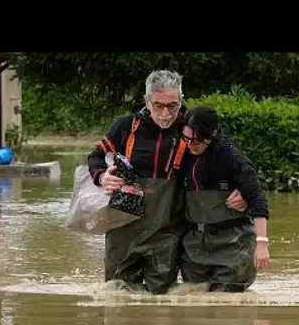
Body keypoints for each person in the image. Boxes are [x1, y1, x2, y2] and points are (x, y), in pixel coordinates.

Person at [87, 70, 247, 294]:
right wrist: (102, 176)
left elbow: (234, 161)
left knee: (159, 297)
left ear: (181, 100)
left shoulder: (193, 128)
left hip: (169, 229)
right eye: (159, 106)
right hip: (123, 227)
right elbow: (95, 156)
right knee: (116, 292)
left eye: (172, 106)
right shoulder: (125, 127)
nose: (166, 113)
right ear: (147, 101)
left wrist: (243, 189)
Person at [179, 105, 270, 292]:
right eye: (186, 139)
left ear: (212, 134)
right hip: (194, 248)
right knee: (193, 299)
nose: (190, 145)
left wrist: (262, 244)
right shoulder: (182, 155)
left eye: (196, 140)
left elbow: (258, 200)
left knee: (227, 306)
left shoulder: (230, 156)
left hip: (233, 247)